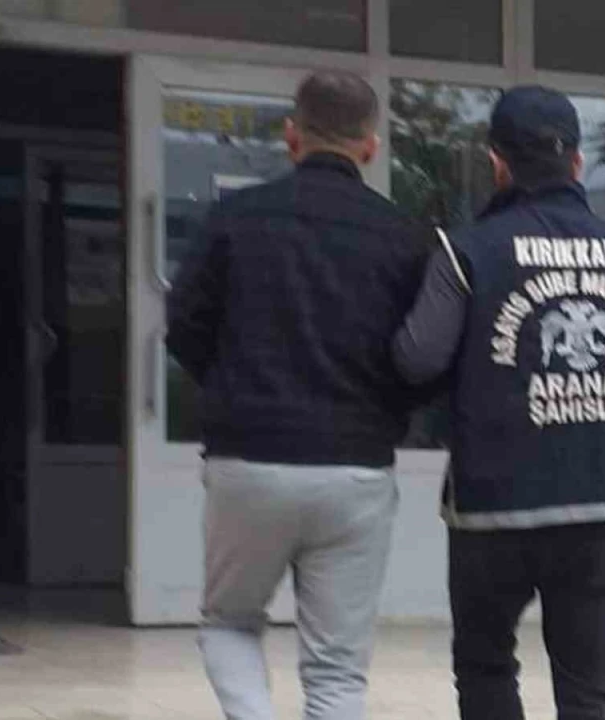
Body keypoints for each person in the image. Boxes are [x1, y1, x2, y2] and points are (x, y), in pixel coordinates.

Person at [392, 85, 605, 720]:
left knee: (486, 666)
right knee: (593, 694)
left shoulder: (467, 251)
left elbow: (417, 358)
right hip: (603, 505)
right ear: (577, 162)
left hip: (495, 507)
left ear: (497, 163)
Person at [167, 71, 434, 720]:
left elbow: (184, 328)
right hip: (356, 469)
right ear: (370, 146)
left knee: (229, 623)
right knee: (338, 669)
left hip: (247, 460)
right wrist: (387, 412)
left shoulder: (235, 218)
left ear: (292, 136)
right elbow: (421, 354)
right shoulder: (404, 235)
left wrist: (232, 391)